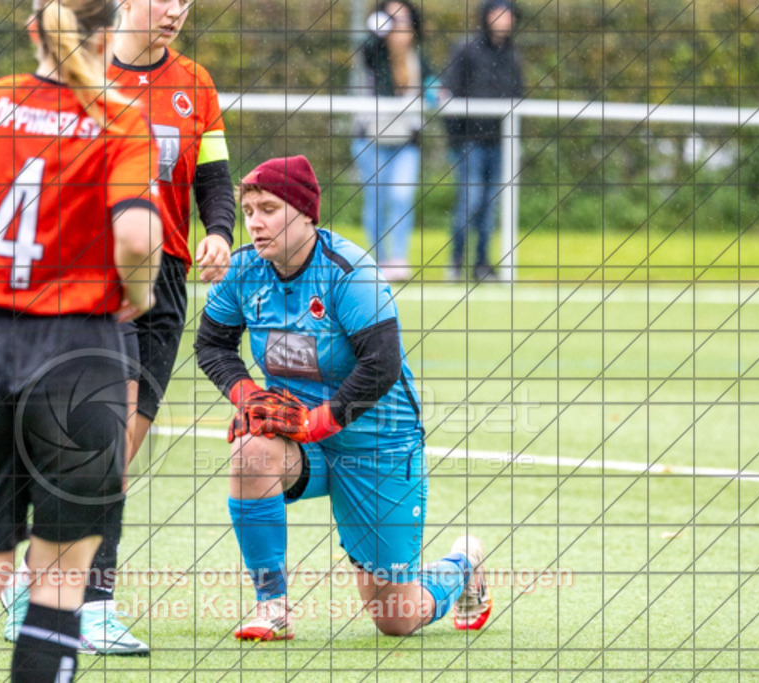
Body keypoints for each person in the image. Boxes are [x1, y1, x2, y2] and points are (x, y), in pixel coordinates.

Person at [0, 0, 163, 679]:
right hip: (78, 350)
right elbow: (136, 237)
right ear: (108, 33)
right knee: (57, 580)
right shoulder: (120, 121)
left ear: (35, 30)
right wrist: (140, 295)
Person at [2, 0, 235, 657]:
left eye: (187, 2)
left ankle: (40, 572)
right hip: (100, 274)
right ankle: (90, 602)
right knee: (106, 439)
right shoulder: (83, 73)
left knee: (118, 446)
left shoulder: (196, 84)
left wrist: (218, 232)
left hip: (166, 283)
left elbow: (213, 179)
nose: (177, 11)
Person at [194, 155, 492, 641]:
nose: (254, 222)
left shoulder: (350, 272)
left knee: (395, 619)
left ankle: (464, 564)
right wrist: (247, 395)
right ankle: (272, 605)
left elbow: (382, 364)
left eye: (268, 208)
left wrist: (315, 423)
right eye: (248, 211)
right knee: (250, 451)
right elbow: (211, 344)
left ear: (306, 213)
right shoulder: (244, 271)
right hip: (304, 441)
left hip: (378, 444)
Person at [352, 0, 434, 282]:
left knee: (401, 197)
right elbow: (369, 46)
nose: (399, 27)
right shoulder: (374, 53)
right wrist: (382, 29)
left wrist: (435, 91)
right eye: (392, 21)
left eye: (404, 21)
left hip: (405, 142)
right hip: (371, 140)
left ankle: (398, 259)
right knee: (375, 201)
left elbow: (433, 82)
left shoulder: (417, 57)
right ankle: (376, 260)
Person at [442, 0, 523, 281]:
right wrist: (455, 139)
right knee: (470, 200)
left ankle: (481, 264)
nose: (503, 20)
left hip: (500, 143)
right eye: (497, 14)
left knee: (491, 206)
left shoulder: (512, 56)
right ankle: (456, 261)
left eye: (508, 15)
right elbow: (449, 94)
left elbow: (518, 97)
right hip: (470, 142)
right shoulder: (466, 50)